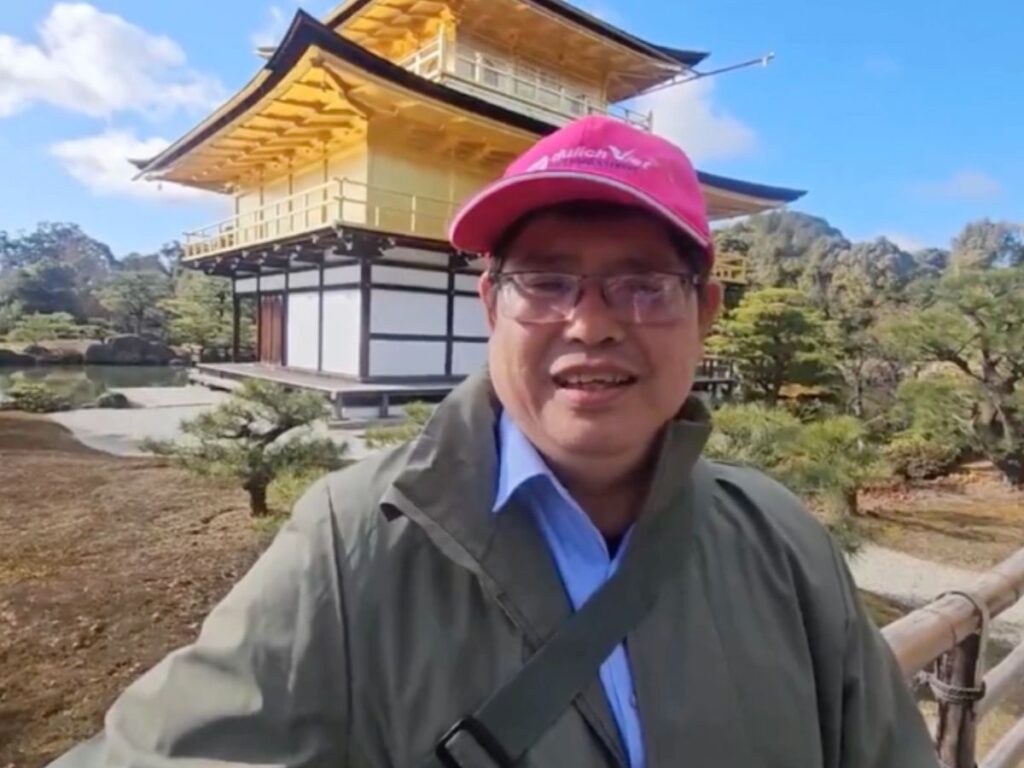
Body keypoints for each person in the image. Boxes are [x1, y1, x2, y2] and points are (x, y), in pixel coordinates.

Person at [50, 116, 939, 768]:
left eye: (642, 285)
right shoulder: (356, 541)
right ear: (490, 305)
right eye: (546, 283)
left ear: (704, 312)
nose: (590, 323)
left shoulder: (783, 542)